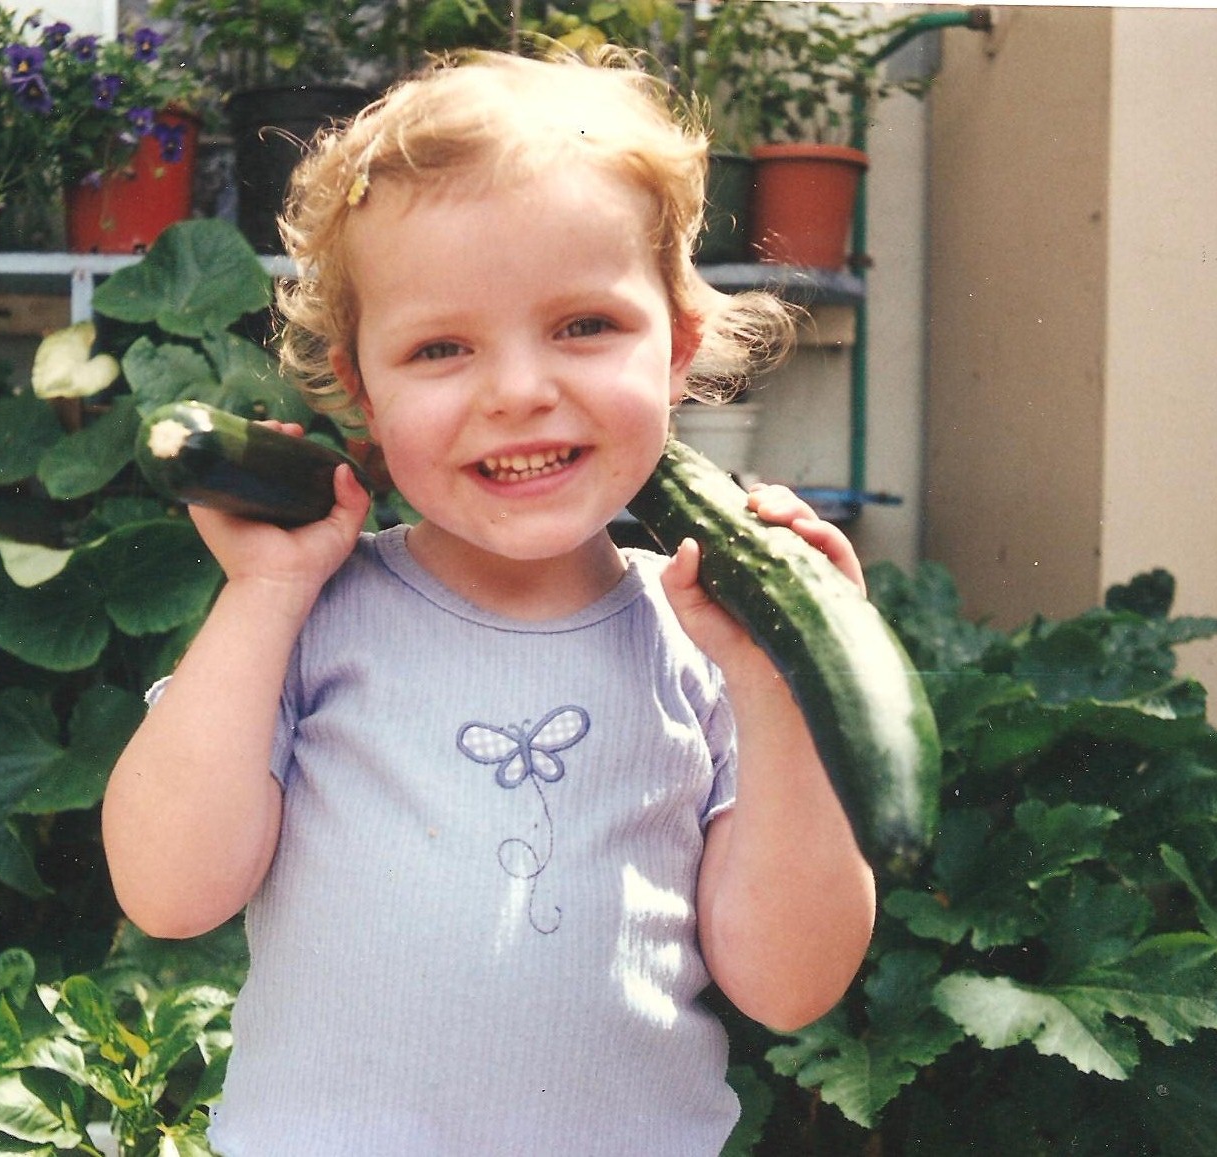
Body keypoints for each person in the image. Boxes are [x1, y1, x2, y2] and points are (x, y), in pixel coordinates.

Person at [103, 46, 876, 1155]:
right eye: (441, 346)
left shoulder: (709, 639)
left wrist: (782, 682)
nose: (518, 390)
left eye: (583, 326)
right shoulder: (315, 617)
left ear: (679, 347)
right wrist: (265, 592)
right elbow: (168, 890)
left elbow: (791, 985)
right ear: (362, 389)